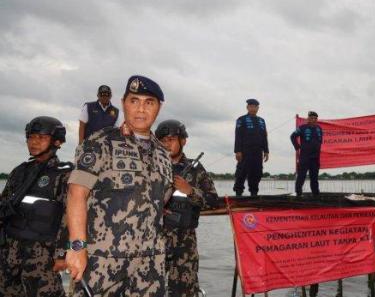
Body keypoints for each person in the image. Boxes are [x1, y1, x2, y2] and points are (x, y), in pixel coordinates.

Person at [66, 75, 173, 296]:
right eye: (134, 101)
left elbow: (161, 201)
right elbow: (76, 194)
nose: (141, 109)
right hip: (102, 263)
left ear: (158, 108)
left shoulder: (164, 154)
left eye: (149, 102)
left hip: (151, 265)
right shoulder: (100, 142)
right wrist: (76, 248)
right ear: (124, 103)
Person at [0, 116, 71, 297]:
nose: (34, 142)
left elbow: (69, 217)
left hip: (42, 256)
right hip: (9, 252)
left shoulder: (64, 175)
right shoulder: (19, 171)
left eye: (41, 137)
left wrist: (62, 254)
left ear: (56, 141)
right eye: (31, 137)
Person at [155, 119, 218, 297]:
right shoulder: (150, 167)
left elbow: (213, 201)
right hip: (153, 242)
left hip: (184, 245)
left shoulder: (196, 170)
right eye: (163, 140)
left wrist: (190, 191)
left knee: (185, 293)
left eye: (172, 139)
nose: (167, 144)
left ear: (183, 141)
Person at [233, 99, 269, 196]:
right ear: (247, 107)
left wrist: (266, 151)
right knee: (241, 172)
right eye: (251, 106)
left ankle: (254, 193)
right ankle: (238, 192)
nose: (253, 108)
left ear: (258, 108)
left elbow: (264, 136)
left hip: (258, 151)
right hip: (245, 151)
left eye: (255, 107)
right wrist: (238, 151)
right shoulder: (241, 119)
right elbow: (238, 136)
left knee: (257, 172)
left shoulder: (262, 121)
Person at [291, 111, 323, 197]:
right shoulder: (302, 128)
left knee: (314, 177)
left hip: (315, 157)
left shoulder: (319, 128)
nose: (313, 120)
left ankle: (316, 194)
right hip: (305, 156)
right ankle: (298, 193)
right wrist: (297, 147)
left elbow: (320, 141)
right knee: (301, 176)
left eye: (315, 118)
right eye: (311, 118)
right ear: (308, 119)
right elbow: (292, 136)